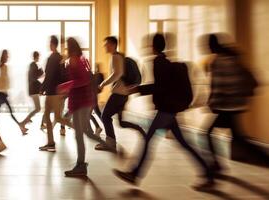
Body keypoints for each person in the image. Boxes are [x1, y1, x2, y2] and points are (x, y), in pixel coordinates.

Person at [113, 34, 215, 190]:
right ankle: (208, 172)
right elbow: (163, 85)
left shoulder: (158, 62)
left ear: (153, 46)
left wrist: (138, 89)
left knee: (148, 140)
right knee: (183, 143)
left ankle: (135, 174)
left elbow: (160, 87)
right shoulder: (164, 61)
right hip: (169, 109)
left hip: (166, 110)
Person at [203, 34, 267, 169]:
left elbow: (218, 85)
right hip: (237, 105)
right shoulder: (234, 58)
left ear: (211, 46)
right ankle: (216, 164)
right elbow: (254, 80)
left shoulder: (216, 62)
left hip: (226, 107)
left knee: (207, 133)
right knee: (239, 138)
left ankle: (215, 164)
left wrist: (211, 103)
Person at [59, 38, 109, 176]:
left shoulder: (76, 60)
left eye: (66, 48)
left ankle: (81, 165)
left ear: (71, 48)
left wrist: (65, 86)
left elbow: (82, 80)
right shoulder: (81, 59)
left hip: (80, 102)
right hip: (82, 101)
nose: (65, 50)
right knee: (85, 133)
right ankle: (106, 146)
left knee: (79, 135)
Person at [96, 36, 146, 152]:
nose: (105, 46)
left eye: (106, 44)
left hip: (119, 93)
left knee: (105, 115)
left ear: (113, 45)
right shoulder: (120, 56)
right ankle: (139, 129)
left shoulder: (115, 57)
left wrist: (103, 83)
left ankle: (110, 143)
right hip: (124, 93)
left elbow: (117, 74)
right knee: (121, 122)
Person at [39, 35, 72, 152]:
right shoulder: (60, 58)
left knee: (52, 116)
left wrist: (42, 88)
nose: (49, 45)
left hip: (52, 92)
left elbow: (49, 75)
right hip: (58, 91)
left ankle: (51, 142)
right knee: (54, 116)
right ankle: (50, 142)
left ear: (52, 44)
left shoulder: (52, 58)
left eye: (49, 43)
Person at [21, 51, 44, 128]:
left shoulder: (33, 65)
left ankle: (26, 120)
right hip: (34, 90)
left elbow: (34, 76)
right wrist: (40, 73)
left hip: (33, 90)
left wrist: (40, 73)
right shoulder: (33, 65)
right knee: (38, 108)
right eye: (38, 56)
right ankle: (24, 122)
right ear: (36, 57)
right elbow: (34, 78)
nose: (39, 58)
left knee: (37, 108)